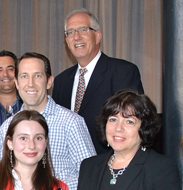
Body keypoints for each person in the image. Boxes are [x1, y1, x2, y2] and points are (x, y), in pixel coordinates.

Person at [0, 52, 96, 190]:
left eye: (37, 76)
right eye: (24, 76)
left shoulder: (71, 123)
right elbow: (3, 176)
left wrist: (48, 189)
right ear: (16, 83)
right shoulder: (7, 128)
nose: (30, 84)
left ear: (49, 82)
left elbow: (91, 176)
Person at [52, 8, 144, 154]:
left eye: (83, 30)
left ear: (98, 36)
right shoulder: (61, 81)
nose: (76, 37)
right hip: (70, 171)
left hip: (108, 165)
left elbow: (131, 126)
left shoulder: (122, 72)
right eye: (70, 32)